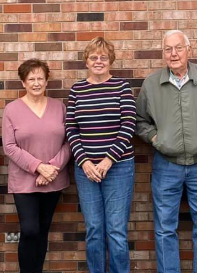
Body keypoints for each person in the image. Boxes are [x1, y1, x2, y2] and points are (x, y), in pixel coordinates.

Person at [138, 29, 197, 273]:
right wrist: (155, 138)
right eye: (168, 49)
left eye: (178, 47)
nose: (173, 54)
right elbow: (140, 120)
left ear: (189, 50)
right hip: (166, 164)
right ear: (163, 53)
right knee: (164, 229)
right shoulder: (151, 84)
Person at [66, 37, 137, 273]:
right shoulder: (77, 90)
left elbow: (129, 125)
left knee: (116, 230)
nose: (98, 61)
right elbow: (71, 128)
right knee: (94, 229)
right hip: (85, 170)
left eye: (103, 57)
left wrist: (108, 160)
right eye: (94, 57)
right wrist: (84, 161)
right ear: (86, 61)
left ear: (111, 61)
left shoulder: (122, 87)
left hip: (118, 168)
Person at [3, 59, 70, 273]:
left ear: (47, 80)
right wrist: (39, 167)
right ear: (23, 82)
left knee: (42, 231)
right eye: (31, 78)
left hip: (53, 178)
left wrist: (51, 169)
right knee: (30, 230)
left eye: (40, 78)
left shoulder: (60, 107)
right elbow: (9, 147)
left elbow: (70, 141)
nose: (36, 82)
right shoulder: (11, 110)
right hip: (24, 181)